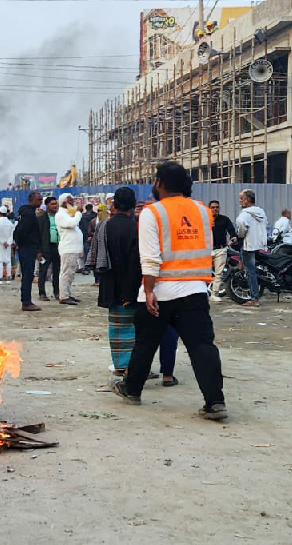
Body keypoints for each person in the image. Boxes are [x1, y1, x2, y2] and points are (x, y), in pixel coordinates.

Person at [113, 161, 227, 421]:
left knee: (145, 343)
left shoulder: (152, 213)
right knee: (202, 346)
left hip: (160, 290)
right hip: (195, 289)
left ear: (160, 183)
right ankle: (215, 401)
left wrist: (149, 290)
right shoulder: (202, 212)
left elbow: (150, 258)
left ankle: (132, 391)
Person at [93, 187, 142, 375]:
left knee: (117, 328)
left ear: (114, 204)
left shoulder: (104, 225)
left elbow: (98, 257)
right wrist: (130, 291)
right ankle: (135, 366)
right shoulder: (137, 226)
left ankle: (120, 364)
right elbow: (137, 260)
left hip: (110, 284)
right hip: (133, 285)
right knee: (136, 328)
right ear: (132, 204)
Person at [235, 189, 267, 308]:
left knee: (250, 272)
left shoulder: (245, 214)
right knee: (252, 269)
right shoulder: (260, 212)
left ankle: (254, 298)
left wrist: (239, 235)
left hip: (248, 245)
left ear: (247, 200)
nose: (240, 201)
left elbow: (241, 227)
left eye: (241, 199)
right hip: (259, 244)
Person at [13, 191, 43, 311]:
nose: (40, 202)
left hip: (27, 247)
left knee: (27, 275)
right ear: (32, 200)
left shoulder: (27, 212)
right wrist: (21, 244)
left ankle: (26, 300)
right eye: (38, 200)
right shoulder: (29, 214)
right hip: (27, 248)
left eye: (41, 199)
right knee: (27, 275)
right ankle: (26, 302)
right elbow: (20, 231)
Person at [55, 193, 83, 305]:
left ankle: (67, 294)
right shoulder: (61, 215)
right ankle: (64, 296)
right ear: (65, 202)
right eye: (71, 201)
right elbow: (71, 224)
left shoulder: (67, 214)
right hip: (68, 248)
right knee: (66, 272)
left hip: (72, 248)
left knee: (70, 272)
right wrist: (78, 213)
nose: (73, 203)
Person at [207, 200, 236, 302]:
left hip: (221, 249)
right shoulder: (204, 220)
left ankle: (214, 294)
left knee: (219, 273)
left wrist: (233, 237)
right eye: (213, 207)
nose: (215, 209)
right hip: (206, 250)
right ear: (209, 208)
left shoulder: (224, 219)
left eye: (217, 207)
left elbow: (232, 231)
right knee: (202, 272)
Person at [38, 196, 61, 302]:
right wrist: (38, 251)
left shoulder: (59, 216)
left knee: (57, 271)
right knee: (43, 271)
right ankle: (42, 293)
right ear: (47, 205)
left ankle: (57, 292)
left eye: (55, 204)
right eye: (52, 204)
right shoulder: (41, 217)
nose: (55, 206)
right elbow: (37, 235)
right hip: (45, 248)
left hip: (58, 247)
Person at [0, 205, 14, 281]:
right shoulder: (10, 223)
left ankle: (0, 276)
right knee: (8, 260)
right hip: (7, 244)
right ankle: (8, 275)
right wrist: (8, 242)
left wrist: (2, 242)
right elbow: (12, 234)